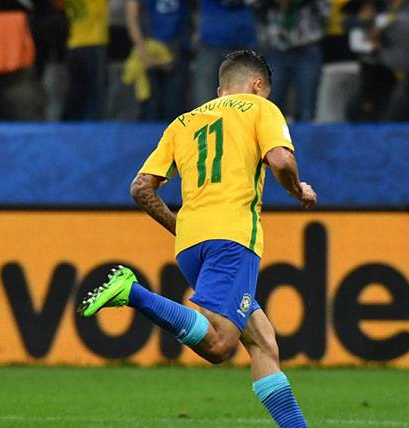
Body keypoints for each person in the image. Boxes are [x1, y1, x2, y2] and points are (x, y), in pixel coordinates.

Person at [78, 50, 314, 428]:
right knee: (220, 344)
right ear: (257, 86)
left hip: (190, 246)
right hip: (233, 238)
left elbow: (141, 188)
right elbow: (282, 161)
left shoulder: (183, 122)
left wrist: (181, 227)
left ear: (220, 90)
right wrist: (298, 190)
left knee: (263, 344)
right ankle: (132, 292)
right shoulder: (260, 107)